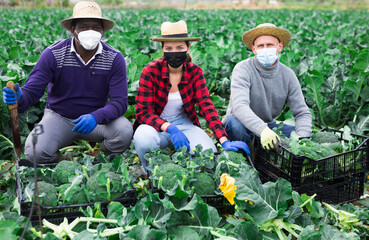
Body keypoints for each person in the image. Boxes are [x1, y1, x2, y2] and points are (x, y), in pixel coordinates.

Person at [2, 1, 133, 162]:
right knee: (34, 151)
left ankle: (100, 160)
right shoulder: (53, 54)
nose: (90, 32)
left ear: (102, 31)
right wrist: (19, 98)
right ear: (73, 29)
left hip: (96, 120)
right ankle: (63, 161)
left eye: (96, 27)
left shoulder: (114, 58)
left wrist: (96, 116)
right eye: (84, 27)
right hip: (59, 117)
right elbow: (32, 91)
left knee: (124, 130)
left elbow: (119, 103)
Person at [133, 20, 250, 173]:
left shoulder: (195, 72)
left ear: (188, 48)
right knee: (143, 139)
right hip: (155, 126)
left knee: (208, 155)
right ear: (162, 48)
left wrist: (224, 140)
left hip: (184, 124)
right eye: (169, 48)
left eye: (180, 47)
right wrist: (169, 128)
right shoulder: (150, 71)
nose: (174, 52)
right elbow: (143, 112)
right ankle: (149, 172)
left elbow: (207, 107)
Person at [222, 23, 312, 150]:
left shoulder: (288, 75)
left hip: (268, 126)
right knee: (236, 125)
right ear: (254, 49)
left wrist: (303, 139)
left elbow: (302, 112)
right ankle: (247, 157)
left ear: (279, 46)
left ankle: (262, 152)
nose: (265, 49)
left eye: (269, 45)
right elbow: (239, 106)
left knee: (296, 132)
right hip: (241, 124)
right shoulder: (243, 69)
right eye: (260, 46)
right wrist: (262, 130)